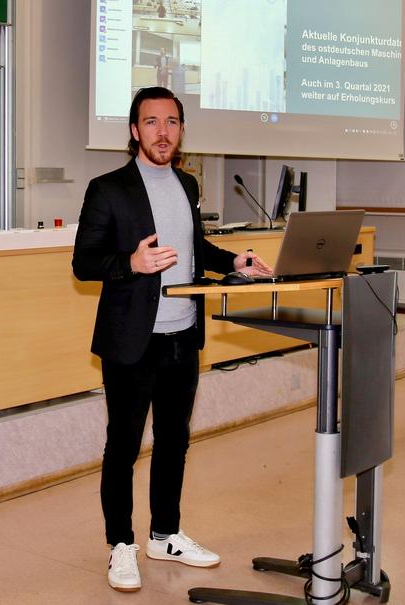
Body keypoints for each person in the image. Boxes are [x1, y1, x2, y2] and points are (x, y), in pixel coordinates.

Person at [72, 86, 272, 593]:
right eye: (152, 122)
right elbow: (84, 261)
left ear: (181, 130)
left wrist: (234, 263)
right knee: (123, 445)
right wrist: (131, 263)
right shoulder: (108, 187)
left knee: (174, 442)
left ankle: (165, 534)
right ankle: (121, 543)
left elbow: (192, 246)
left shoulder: (186, 183)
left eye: (172, 122)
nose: (163, 132)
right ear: (135, 131)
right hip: (132, 340)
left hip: (183, 333)